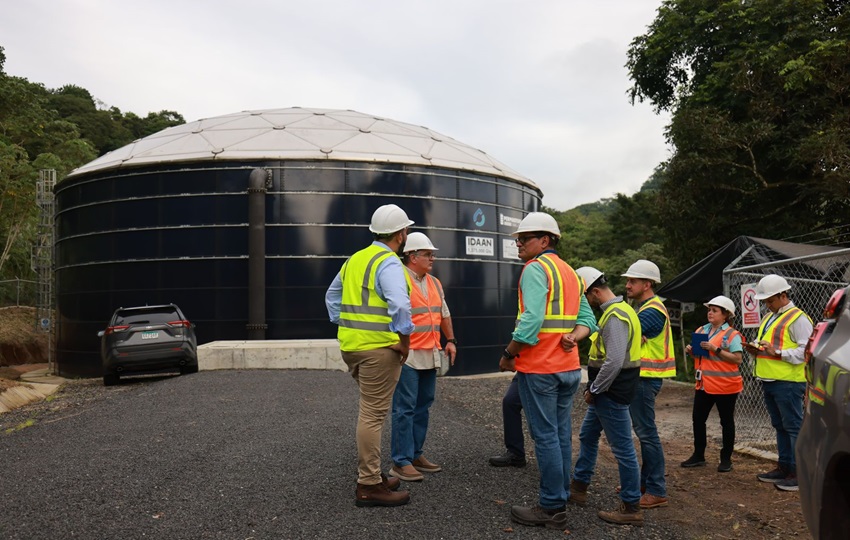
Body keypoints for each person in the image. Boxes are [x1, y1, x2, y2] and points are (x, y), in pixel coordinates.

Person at [499, 212, 595, 530]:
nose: (519, 244)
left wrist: (509, 353)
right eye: (518, 239)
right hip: (568, 369)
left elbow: (531, 321)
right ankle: (561, 494)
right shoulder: (570, 273)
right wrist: (574, 337)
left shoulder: (535, 269)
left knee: (545, 437)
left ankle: (552, 506)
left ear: (544, 240)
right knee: (560, 433)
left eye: (524, 239)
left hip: (540, 368)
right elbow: (588, 321)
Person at [325, 203, 415, 507]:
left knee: (370, 411)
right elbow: (400, 306)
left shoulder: (355, 259)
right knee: (373, 415)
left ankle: (374, 477)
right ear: (401, 234)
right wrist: (404, 341)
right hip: (379, 349)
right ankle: (369, 485)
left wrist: (348, 325)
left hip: (352, 347)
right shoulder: (388, 263)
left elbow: (332, 297)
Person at [569, 267, 644, 527]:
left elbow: (612, 362)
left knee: (623, 451)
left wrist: (594, 390)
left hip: (610, 392)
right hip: (612, 391)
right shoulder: (624, 311)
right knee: (588, 436)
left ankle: (631, 506)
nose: (584, 301)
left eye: (585, 295)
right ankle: (579, 487)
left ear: (596, 291)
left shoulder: (614, 317)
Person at [389, 232, 458, 482]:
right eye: (428, 254)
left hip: (430, 352)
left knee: (423, 405)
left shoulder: (434, 283)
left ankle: (415, 454)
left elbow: (444, 313)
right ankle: (401, 461)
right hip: (407, 354)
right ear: (412, 256)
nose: (433, 258)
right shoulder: (398, 279)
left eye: (432, 254)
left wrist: (450, 341)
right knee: (404, 408)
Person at [743, 274, 813, 492]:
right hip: (770, 379)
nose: (767, 305)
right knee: (780, 425)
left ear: (784, 295)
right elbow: (769, 344)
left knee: (793, 427)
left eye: (770, 300)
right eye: (765, 301)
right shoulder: (770, 317)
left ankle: (798, 473)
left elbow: (807, 350)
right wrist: (755, 349)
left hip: (789, 382)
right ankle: (785, 467)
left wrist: (779, 352)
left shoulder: (798, 318)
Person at [622, 259, 674, 509]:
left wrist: (631, 334)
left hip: (645, 378)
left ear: (648, 283)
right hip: (642, 378)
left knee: (646, 434)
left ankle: (656, 489)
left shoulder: (652, 310)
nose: (627, 284)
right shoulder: (645, 308)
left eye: (633, 280)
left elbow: (624, 336)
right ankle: (645, 484)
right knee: (645, 433)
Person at [682, 295, 744, 473]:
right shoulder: (702, 330)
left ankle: (726, 459)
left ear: (725, 315)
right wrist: (692, 351)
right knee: (698, 419)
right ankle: (698, 455)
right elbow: (701, 357)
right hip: (704, 384)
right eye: (709, 309)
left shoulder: (732, 335)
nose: (710, 313)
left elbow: (738, 359)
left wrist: (715, 349)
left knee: (726, 422)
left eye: (715, 310)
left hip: (725, 386)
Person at [487, 376, 527, 468]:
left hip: (545, 372)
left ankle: (556, 467)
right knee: (510, 401)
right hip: (525, 371)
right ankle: (516, 453)